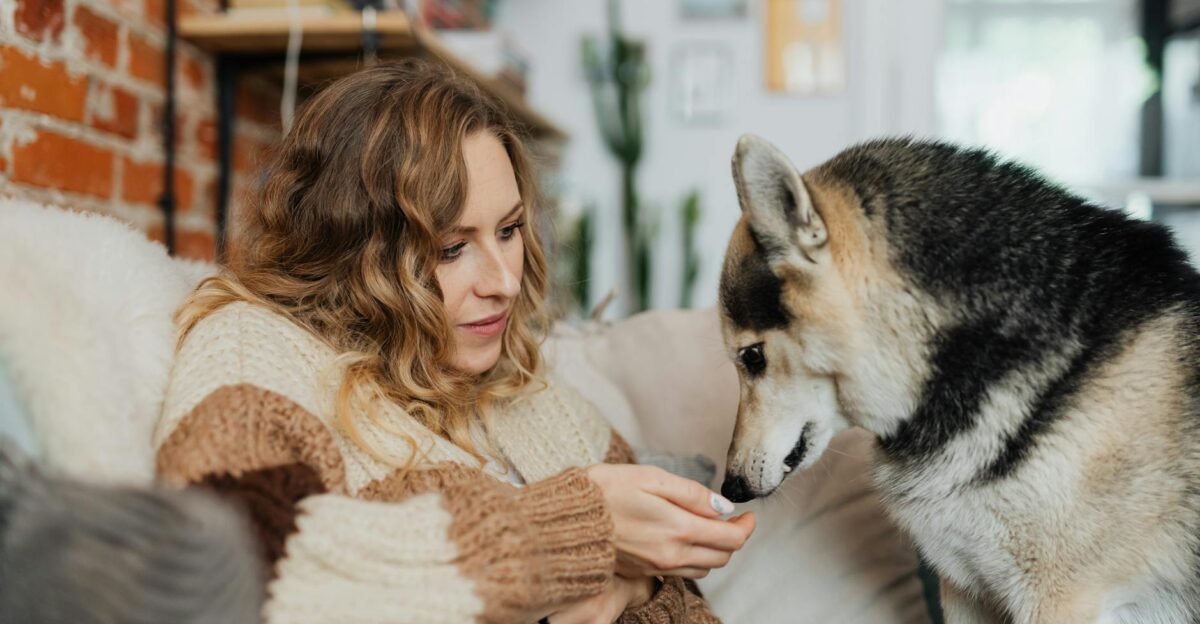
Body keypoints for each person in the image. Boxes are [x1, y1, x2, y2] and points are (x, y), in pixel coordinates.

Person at [154, 59, 755, 623]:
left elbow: (677, 591)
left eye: (510, 229)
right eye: (451, 246)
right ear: (351, 249)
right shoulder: (255, 346)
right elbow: (230, 567)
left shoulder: (530, 392)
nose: (505, 281)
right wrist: (576, 533)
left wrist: (631, 583)